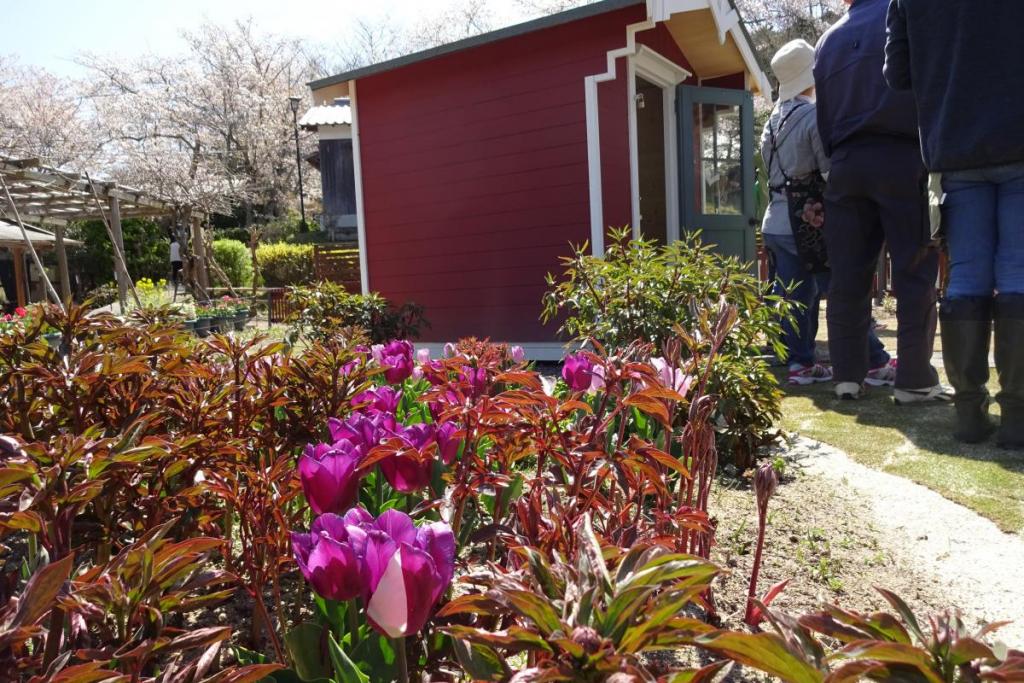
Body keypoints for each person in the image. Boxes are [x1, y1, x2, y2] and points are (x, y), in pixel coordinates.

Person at [885, 0, 1024, 447]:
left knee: (966, 277)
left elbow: (897, 74)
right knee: (1018, 273)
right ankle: (1018, 417)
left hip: (954, 142)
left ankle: (969, 413)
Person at [813, 0, 947, 403]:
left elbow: (823, 118)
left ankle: (847, 377)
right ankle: (913, 379)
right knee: (913, 270)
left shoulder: (827, 40)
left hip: (846, 163)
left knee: (848, 276)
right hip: (903, 155)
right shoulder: (906, 16)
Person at [761, 39, 894, 386]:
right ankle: (875, 360)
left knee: (793, 298)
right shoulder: (811, 118)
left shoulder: (771, 123)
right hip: (808, 224)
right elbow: (830, 171)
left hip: (775, 221)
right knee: (842, 291)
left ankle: (799, 364)